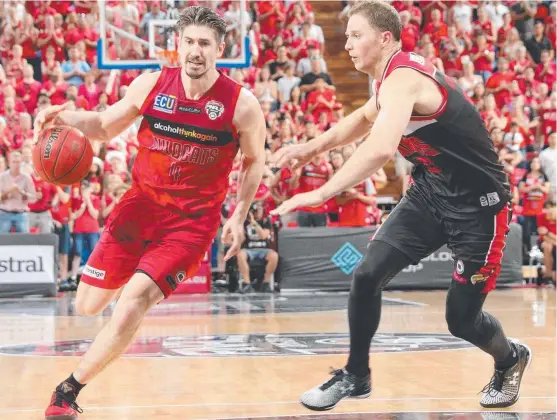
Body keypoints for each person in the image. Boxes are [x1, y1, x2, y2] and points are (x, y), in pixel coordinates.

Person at [271, 0, 531, 411]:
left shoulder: (404, 79)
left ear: (386, 37)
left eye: (357, 35)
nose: (348, 44)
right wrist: (307, 149)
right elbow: (359, 120)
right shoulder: (385, 80)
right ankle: (356, 375)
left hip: (479, 208)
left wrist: (321, 192)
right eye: (348, 35)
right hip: (431, 193)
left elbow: (378, 149)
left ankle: (510, 357)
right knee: (367, 275)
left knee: (461, 321)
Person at [36, 7, 266, 419]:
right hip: (139, 208)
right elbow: (104, 126)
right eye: (189, 42)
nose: (195, 51)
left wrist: (239, 214)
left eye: (204, 44)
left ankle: (67, 392)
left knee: (132, 302)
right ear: (177, 44)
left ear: (221, 49)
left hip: (190, 225)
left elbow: (254, 161)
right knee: (86, 306)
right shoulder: (151, 84)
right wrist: (63, 117)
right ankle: (132, 285)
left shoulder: (241, 105)